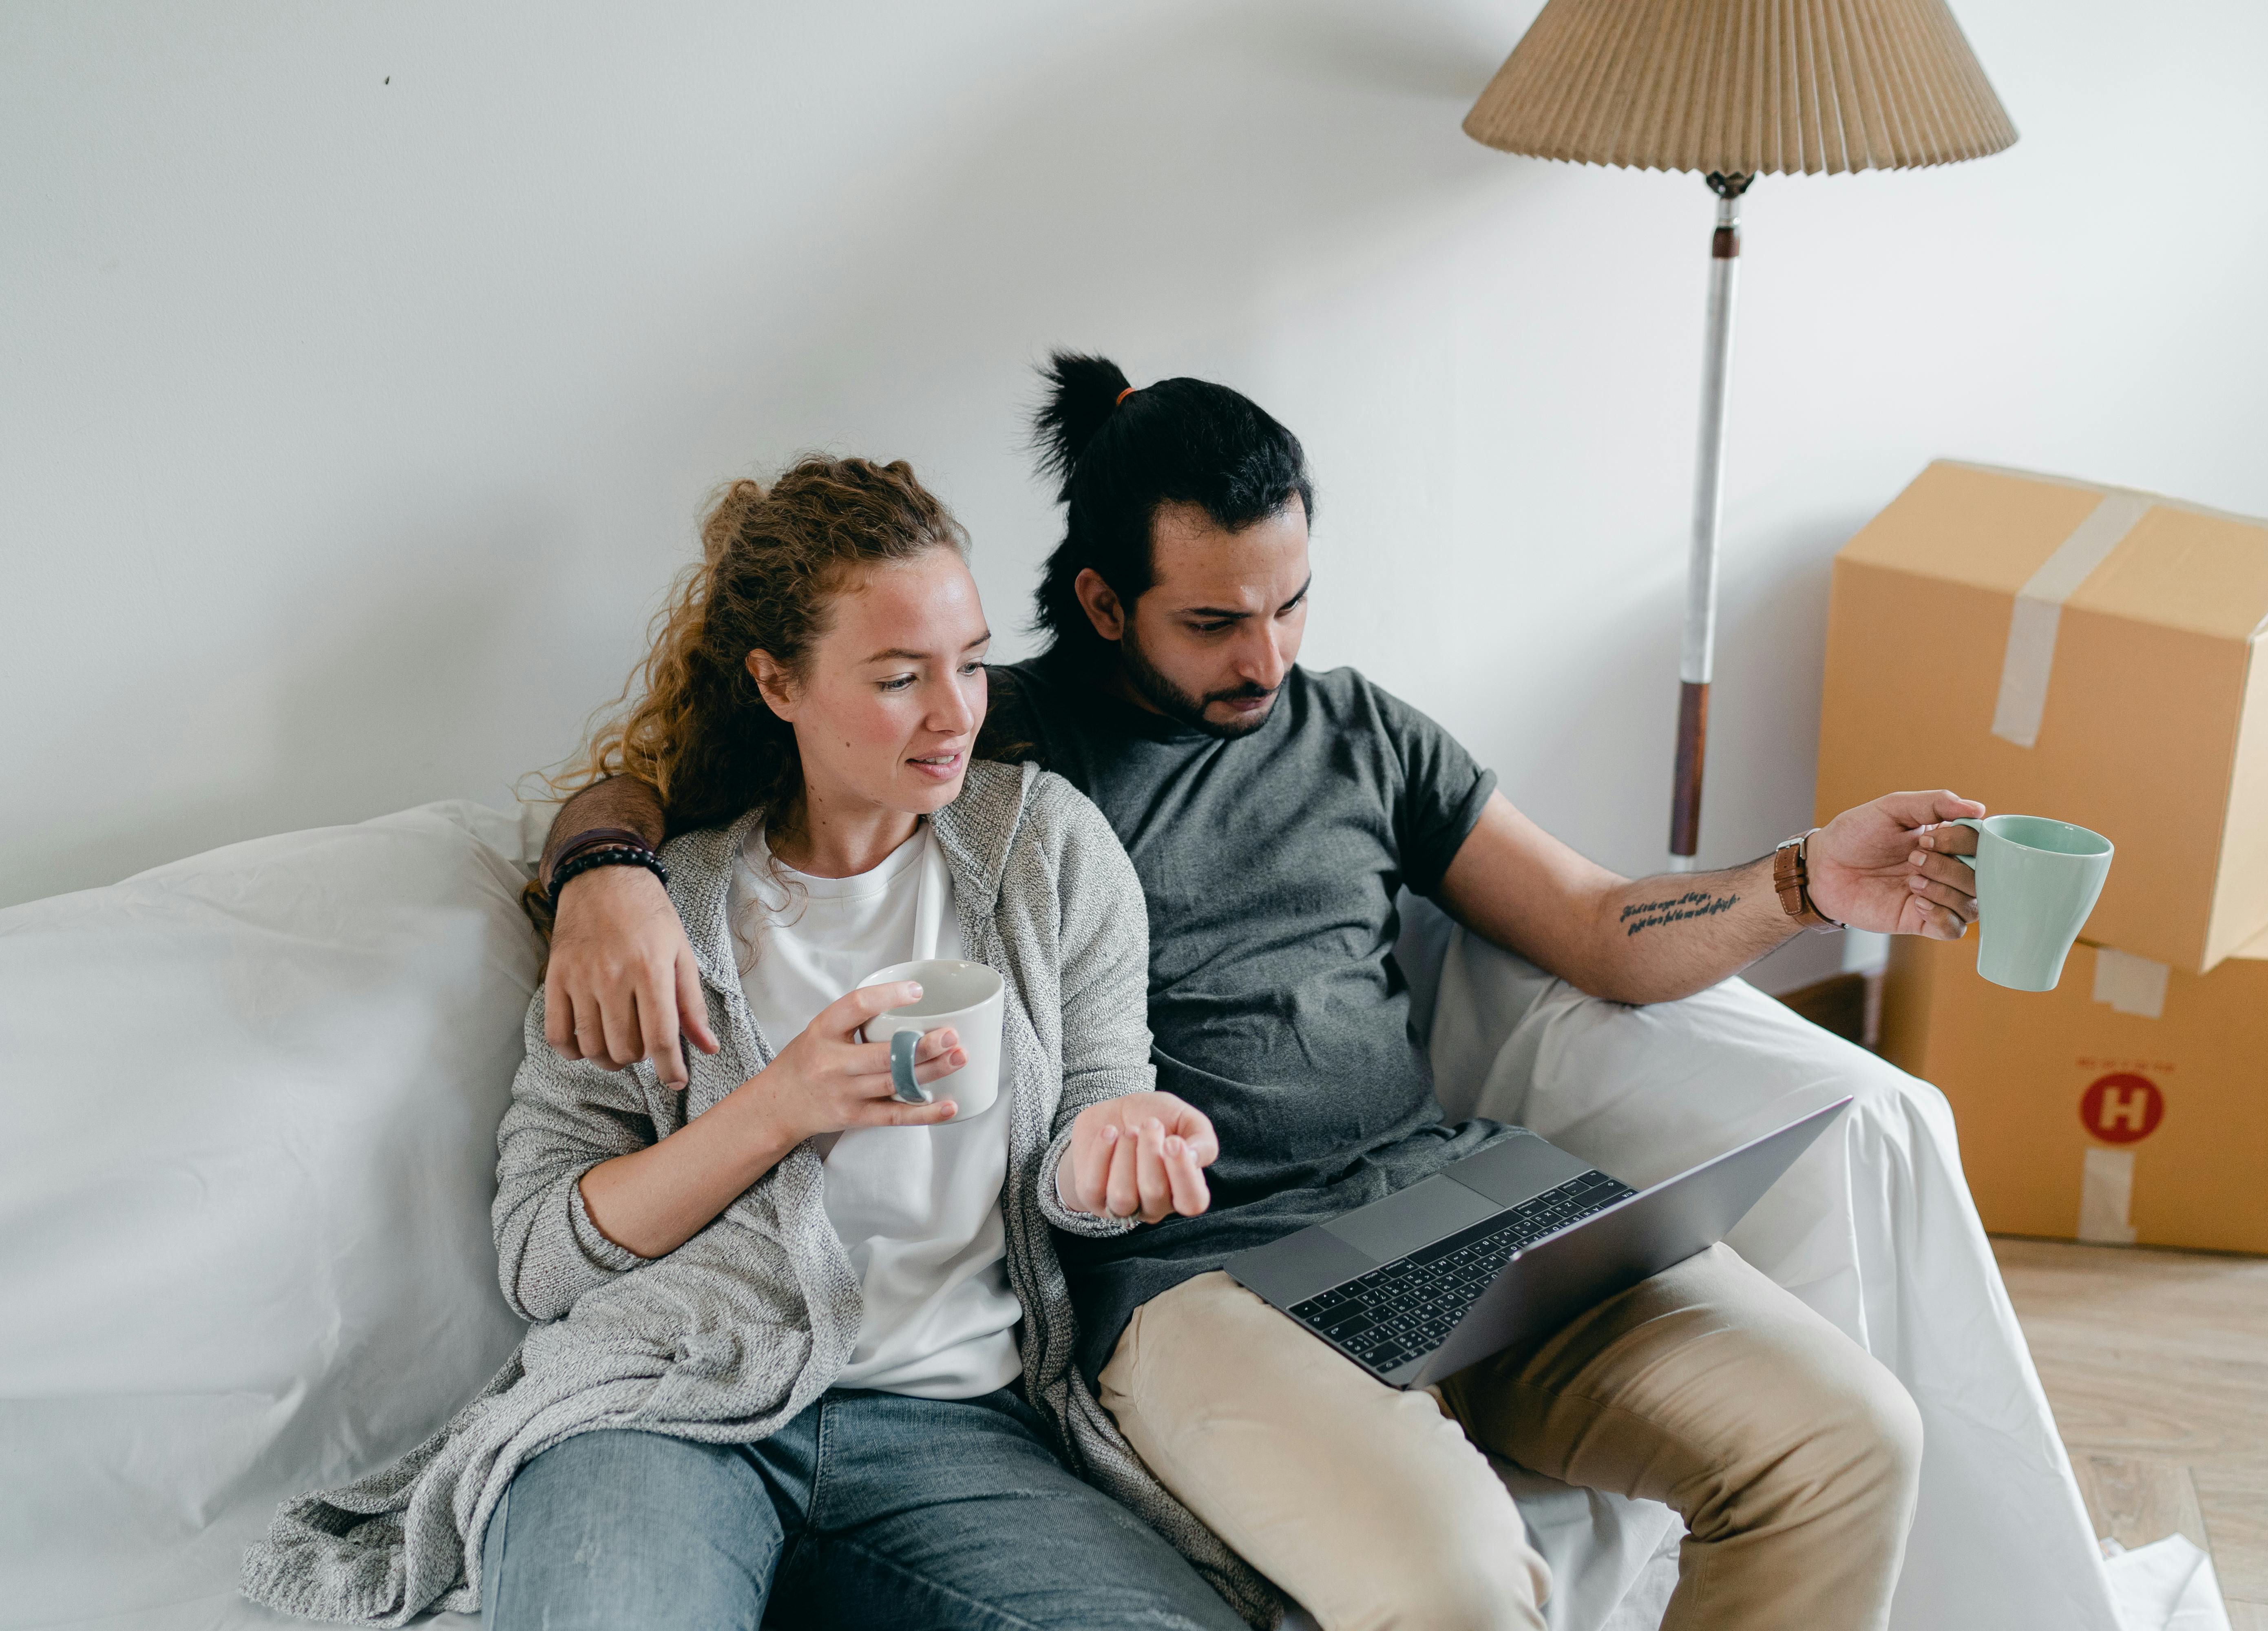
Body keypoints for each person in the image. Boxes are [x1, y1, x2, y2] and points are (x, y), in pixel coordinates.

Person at [536, 362, 1990, 1631]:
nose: (1270, 659)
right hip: (1203, 1285)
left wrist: (1803, 883)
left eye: (1294, 605)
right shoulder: (995, 752)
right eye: (1217, 624)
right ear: (1105, 603)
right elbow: (702, 770)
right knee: (1450, 1585)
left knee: (1852, 1437)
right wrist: (608, 865)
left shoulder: (1358, 731)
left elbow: (1603, 931)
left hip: (1452, 1214)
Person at [242, 454, 1267, 1629]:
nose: (955, 715)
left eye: (972, 663)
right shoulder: (660, 912)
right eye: (898, 679)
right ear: (778, 684)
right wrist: (781, 1104)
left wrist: (1115, 1150)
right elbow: (540, 1256)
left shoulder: (1046, 854)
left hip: (954, 1431)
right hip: (660, 1407)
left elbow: (1087, 1125)